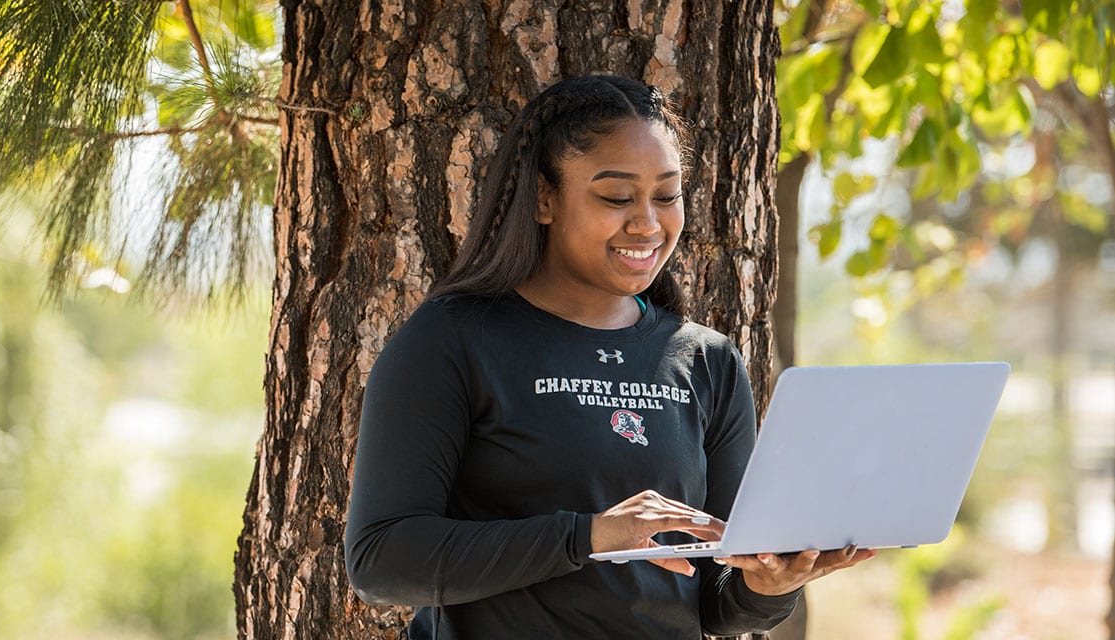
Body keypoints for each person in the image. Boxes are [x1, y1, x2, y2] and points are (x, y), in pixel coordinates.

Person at [344, 75, 873, 639]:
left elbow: (717, 598)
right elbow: (382, 561)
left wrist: (770, 586)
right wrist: (589, 536)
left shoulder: (707, 361)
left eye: (666, 196)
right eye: (617, 197)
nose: (647, 223)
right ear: (544, 198)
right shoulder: (454, 339)